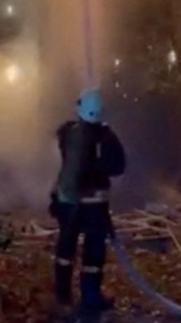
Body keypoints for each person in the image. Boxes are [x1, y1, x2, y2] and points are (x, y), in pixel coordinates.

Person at [49, 88, 127, 315]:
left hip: (68, 202)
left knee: (66, 247)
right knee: (93, 251)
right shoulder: (107, 136)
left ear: (79, 108)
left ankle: (62, 295)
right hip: (95, 204)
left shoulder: (67, 133)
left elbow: (64, 152)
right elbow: (118, 168)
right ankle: (91, 297)